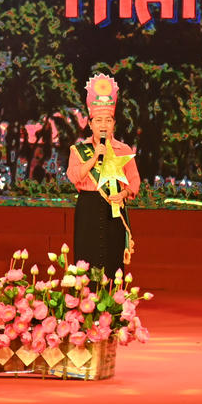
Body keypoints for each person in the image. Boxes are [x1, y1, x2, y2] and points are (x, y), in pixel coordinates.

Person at [67, 73, 140, 279]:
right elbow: (74, 176)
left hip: (113, 208)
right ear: (90, 124)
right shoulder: (79, 150)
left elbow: (134, 180)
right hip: (88, 207)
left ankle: (113, 298)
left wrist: (123, 194)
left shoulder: (124, 149)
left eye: (108, 120)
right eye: (98, 120)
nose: (103, 125)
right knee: (86, 257)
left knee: (112, 258)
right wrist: (94, 158)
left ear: (114, 123)